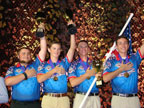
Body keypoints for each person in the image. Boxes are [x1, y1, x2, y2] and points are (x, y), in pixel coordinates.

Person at [5, 23, 47, 108]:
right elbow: (8, 82)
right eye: (23, 53)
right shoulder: (12, 69)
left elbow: (43, 49)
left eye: (28, 54)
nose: (26, 55)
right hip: (17, 104)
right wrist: (26, 74)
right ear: (18, 56)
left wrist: (42, 34)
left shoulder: (36, 65)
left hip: (34, 104)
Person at [37, 21, 76, 108]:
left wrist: (72, 32)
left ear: (61, 51)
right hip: (48, 99)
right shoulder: (43, 65)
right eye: (54, 48)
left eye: (58, 49)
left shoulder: (64, 63)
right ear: (49, 50)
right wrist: (53, 71)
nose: (56, 51)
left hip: (63, 99)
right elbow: (39, 79)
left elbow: (72, 48)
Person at [103, 36, 144, 108]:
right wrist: (121, 69)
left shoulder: (134, 58)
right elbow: (105, 78)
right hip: (118, 99)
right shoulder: (111, 61)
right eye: (120, 43)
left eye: (125, 43)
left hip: (133, 99)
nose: (123, 45)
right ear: (116, 46)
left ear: (128, 45)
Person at [68, 40, 101, 108]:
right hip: (81, 97)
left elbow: (99, 84)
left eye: (85, 47)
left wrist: (98, 78)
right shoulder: (73, 64)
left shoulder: (96, 64)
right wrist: (87, 74)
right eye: (81, 47)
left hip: (95, 98)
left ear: (88, 49)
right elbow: (73, 83)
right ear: (77, 49)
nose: (83, 49)